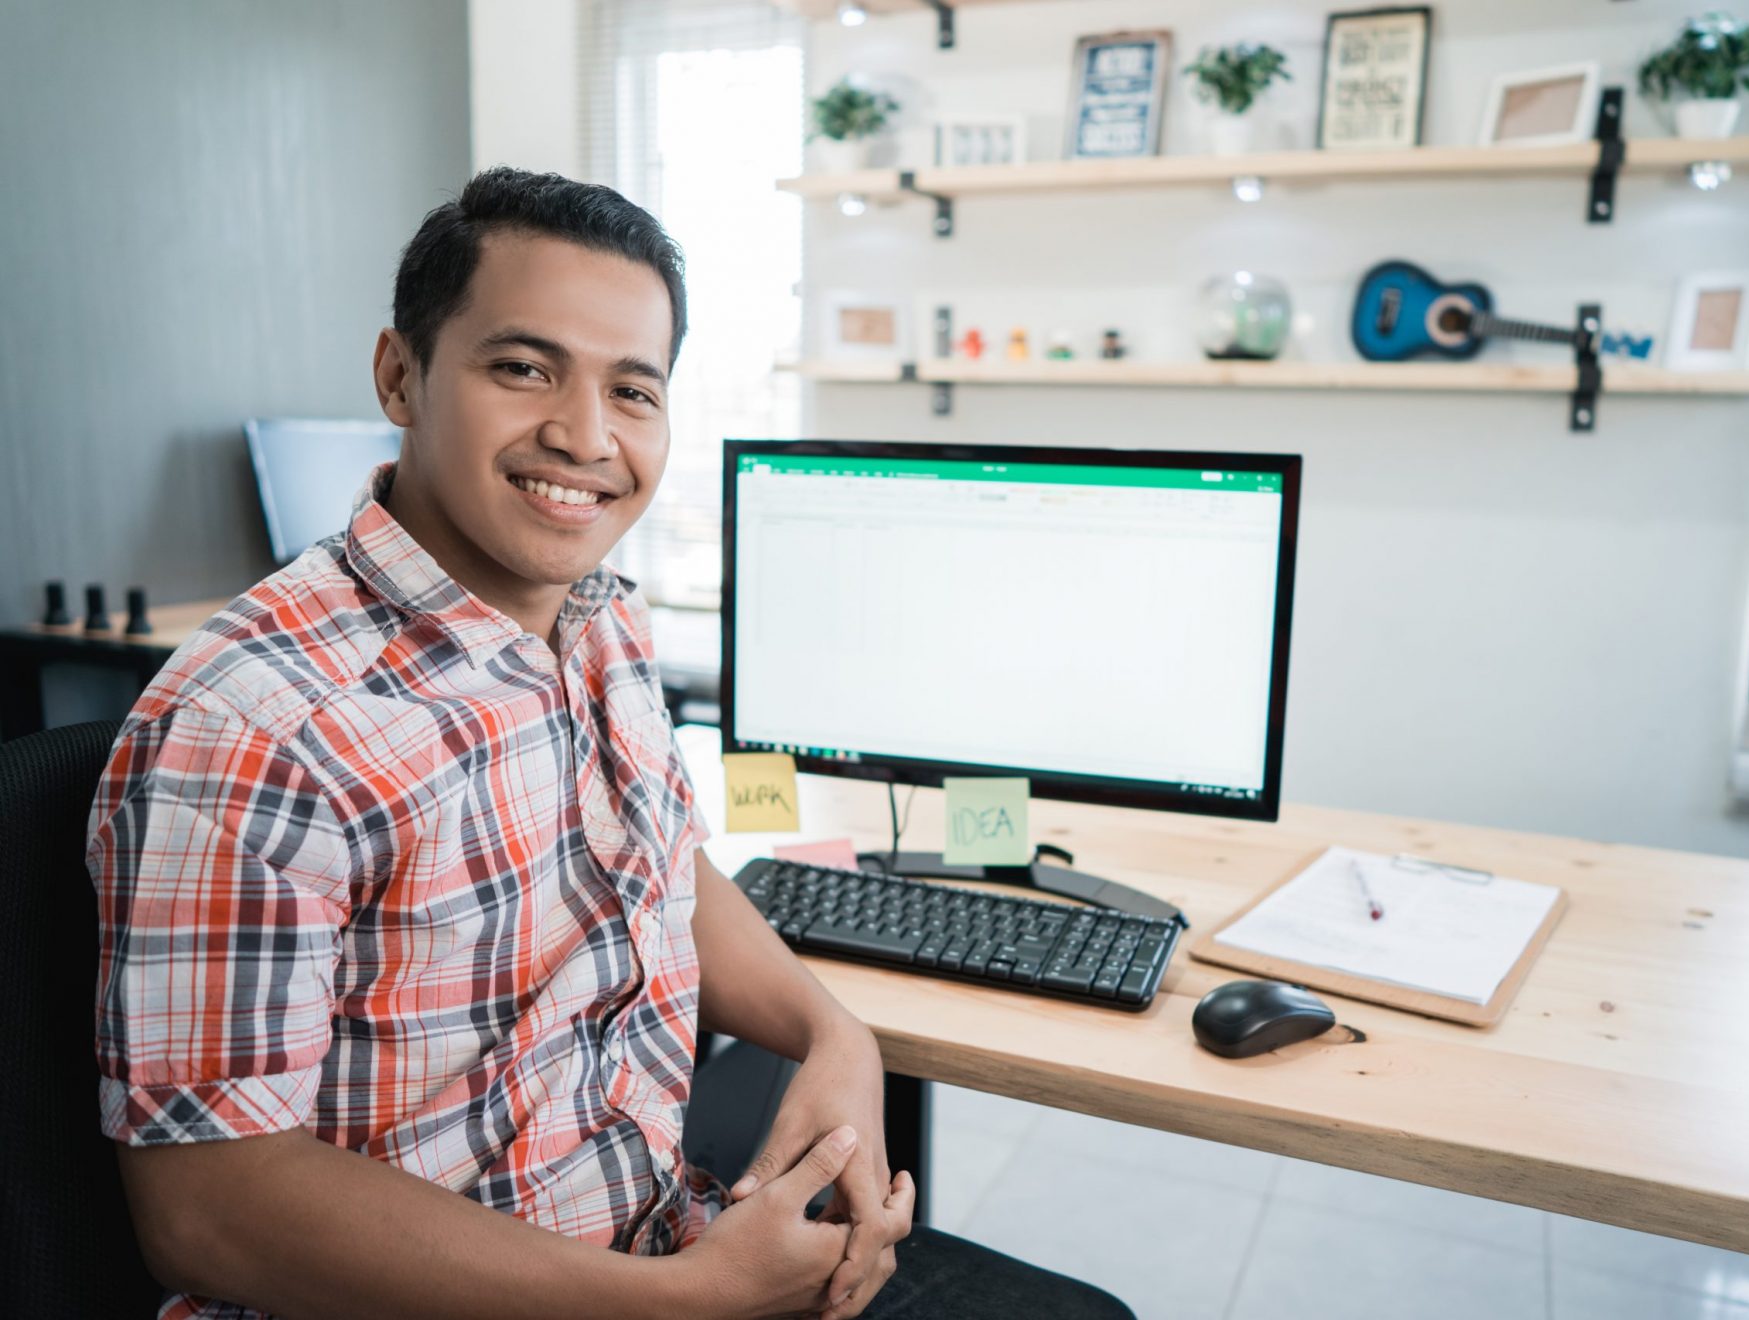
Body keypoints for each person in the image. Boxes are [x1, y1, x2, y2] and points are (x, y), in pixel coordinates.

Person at [87, 167, 1132, 1320]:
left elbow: (663, 865)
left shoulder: (602, 617)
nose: (584, 436)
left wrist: (834, 1034)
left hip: (657, 1237)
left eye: (632, 390)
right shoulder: (255, 723)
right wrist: (695, 1299)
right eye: (523, 368)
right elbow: (210, 1208)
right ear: (401, 374)